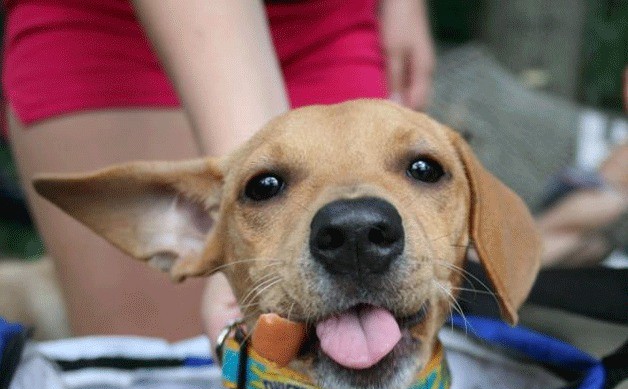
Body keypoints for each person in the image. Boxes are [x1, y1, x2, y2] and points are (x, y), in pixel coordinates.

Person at [2, 0, 435, 344]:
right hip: (115, 27)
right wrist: (241, 224)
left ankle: (52, 287)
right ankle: (51, 294)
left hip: (327, 17)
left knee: (378, 293)